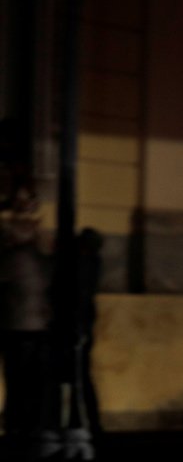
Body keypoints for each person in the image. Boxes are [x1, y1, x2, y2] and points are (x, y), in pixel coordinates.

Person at [0, 183, 55, 460]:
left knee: (28, 382)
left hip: (28, 325)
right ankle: (21, 430)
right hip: (22, 326)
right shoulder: (17, 238)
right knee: (24, 382)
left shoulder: (32, 238)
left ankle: (24, 429)